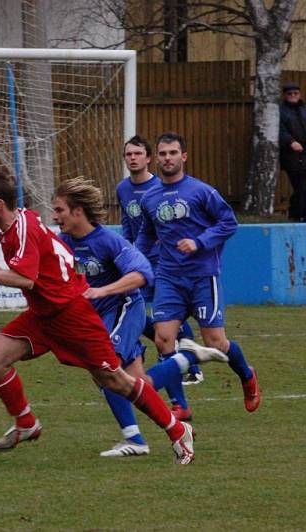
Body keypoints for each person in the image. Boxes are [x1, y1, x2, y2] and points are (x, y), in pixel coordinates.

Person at [0, 172, 195, 465]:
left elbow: (25, 279)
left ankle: (178, 430)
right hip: (43, 315)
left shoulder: (24, 229)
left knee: (116, 380)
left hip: (71, 314)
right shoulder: (16, 222)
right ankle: (26, 422)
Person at [53, 177, 225, 458]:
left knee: (105, 368)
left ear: (77, 211)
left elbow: (142, 274)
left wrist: (102, 291)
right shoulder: (62, 243)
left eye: (59, 210)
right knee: (137, 384)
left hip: (124, 308)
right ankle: (187, 358)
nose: (55, 216)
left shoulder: (108, 241)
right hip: (99, 317)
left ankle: (135, 439)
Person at [136, 131, 261, 413]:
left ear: (184, 156)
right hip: (168, 277)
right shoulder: (150, 197)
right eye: (163, 154)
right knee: (163, 338)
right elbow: (146, 234)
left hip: (203, 276)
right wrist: (133, 258)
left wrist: (199, 242)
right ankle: (180, 404)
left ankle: (247, 376)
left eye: (173, 153)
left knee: (215, 342)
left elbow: (229, 223)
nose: (167, 158)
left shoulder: (202, 191)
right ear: (156, 158)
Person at [116, 135, 204, 398]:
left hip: (166, 262)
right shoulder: (123, 189)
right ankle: (178, 354)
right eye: (128, 154)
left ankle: (191, 363)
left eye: (137, 154)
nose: (133, 158)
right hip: (139, 261)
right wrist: (126, 251)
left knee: (169, 313)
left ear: (148, 158)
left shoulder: (160, 187)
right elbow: (127, 223)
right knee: (138, 310)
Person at [279, 82, 306, 222]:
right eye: (289, 94)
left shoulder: (304, 110)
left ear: (299, 94)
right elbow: (280, 131)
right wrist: (291, 142)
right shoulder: (281, 112)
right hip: (293, 156)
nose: (293, 96)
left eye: (295, 93)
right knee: (300, 189)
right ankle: (295, 216)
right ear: (285, 95)